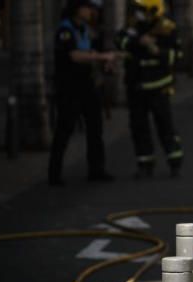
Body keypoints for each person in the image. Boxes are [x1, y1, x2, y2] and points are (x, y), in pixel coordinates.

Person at [48, 0, 118, 186]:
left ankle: (96, 169)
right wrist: (101, 57)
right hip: (69, 86)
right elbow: (74, 55)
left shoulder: (85, 29)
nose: (91, 12)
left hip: (87, 84)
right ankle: (54, 174)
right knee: (65, 128)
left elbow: (90, 51)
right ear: (77, 9)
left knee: (95, 126)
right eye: (88, 8)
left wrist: (105, 63)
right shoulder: (65, 30)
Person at [115, 0, 183, 178]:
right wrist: (139, 41)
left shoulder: (167, 28)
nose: (138, 13)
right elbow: (120, 41)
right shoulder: (134, 27)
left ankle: (174, 160)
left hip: (159, 87)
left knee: (165, 126)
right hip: (136, 87)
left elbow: (176, 55)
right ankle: (145, 164)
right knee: (139, 127)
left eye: (142, 10)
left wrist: (155, 50)